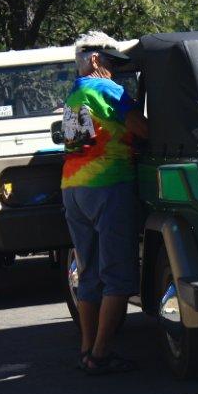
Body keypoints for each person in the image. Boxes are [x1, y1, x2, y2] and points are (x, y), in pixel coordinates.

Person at [62, 31, 147, 375]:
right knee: (118, 274)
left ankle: (86, 349)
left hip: (73, 186)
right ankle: (100, 354)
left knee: (89, 272)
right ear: (95, 59)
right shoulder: (105, 88)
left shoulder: (75, 92)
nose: (115, 71)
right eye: (112, 62)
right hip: (109, 184)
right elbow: (142, 128)